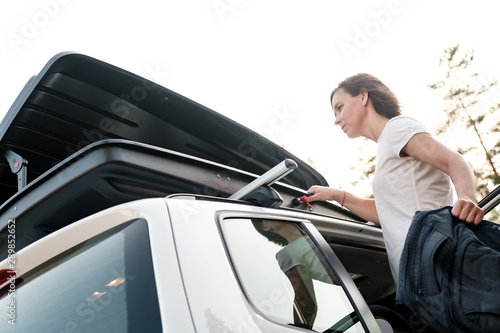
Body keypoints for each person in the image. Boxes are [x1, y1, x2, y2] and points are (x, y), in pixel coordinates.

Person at [306, 73, 484, 284]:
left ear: (363, 96)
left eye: (339, 107)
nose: (336, 120)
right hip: (419, 278)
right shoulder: (387, 143)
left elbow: (453, 161)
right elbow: (389, 213)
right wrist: (337, 195)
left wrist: (467, 198)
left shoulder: (396, 129)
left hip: (437, 265)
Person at [252, 219, 335, 329]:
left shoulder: (319, 230)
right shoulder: (288, 254)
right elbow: (305, 300)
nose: (276, 211)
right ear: (265, 227)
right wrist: (300, 329)